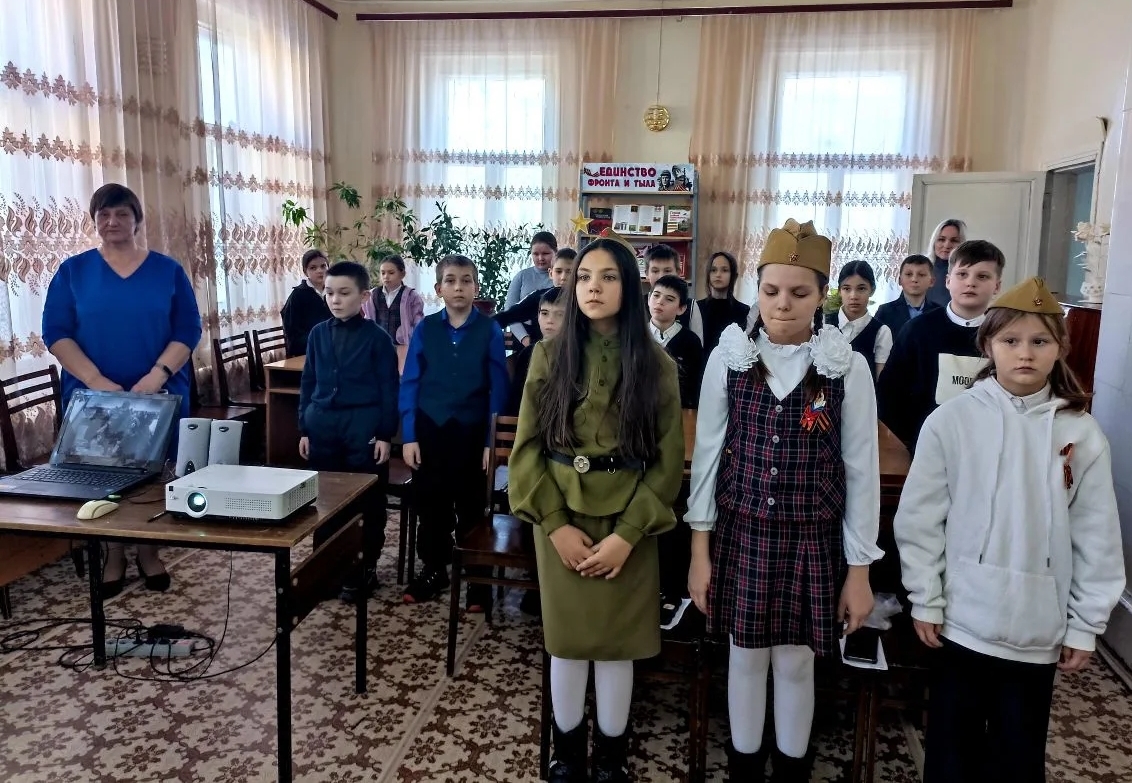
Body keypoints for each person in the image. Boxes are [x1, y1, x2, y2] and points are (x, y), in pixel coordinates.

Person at [894, 276, 1125, 783]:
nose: (1025, 353)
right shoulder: (951, 421)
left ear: (1060, 348)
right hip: (962, 620)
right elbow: (921, 518)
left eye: (1040, 341)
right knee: (951, 754)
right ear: (988, 345)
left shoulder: (1081, 433)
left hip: (1035, 627)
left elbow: (1096, 535)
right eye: (1011, 340)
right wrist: (926, 597)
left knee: (1017, 757)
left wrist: (1085, 623)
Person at [686, 219, 881, 782]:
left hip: (811, 540)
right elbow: (708, 458)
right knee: (744, 657)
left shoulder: (847, 368)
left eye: (799, 293)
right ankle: (745, 769)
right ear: (757, 289)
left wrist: (859, 572)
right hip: (743, 535)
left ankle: (792, 770)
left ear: (821, 296)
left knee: (797, 663)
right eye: (771, 291)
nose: (783, 304)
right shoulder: (730, 358)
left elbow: (861, 472)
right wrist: (699, 553)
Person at [509, 234, 685, 783]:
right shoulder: (548, 355)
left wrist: (628, 534)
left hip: (630, 522)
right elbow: (526, 452)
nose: (593, 287)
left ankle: (611, 758)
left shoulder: (657, 365)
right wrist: (555, 525)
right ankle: (566, 754)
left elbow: (667, 464)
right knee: (567, 644)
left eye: (608, 277)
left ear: (630, 287)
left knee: (616, 647)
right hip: (560, 517)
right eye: (584, 277)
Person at [42, 183, 202, 597]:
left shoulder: (167, 270)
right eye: (104, 214)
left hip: (158, 394)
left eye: (122, 214)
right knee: (103, 478)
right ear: (95, 220)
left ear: (137, 220)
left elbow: (188, 329)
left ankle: (150, 551)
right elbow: (56, 332)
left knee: (155, 476)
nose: (112, 222)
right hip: (93, 399)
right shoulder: (73, 272)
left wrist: (157, 375)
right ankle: (113, 554)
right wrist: (97, 381)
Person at [399, 255, 509, 608]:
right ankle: (434, 568)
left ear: (476, 287)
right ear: (438, 288)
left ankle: (477, 577)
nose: (458, 287)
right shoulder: (426, 329)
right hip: (430, 429)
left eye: (465, 280)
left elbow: (498, 388)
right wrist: (409, 435)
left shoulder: (489, 330)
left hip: (472, 432)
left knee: (472, 506)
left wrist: (491, 441)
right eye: (450, 280)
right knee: (431, 504)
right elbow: (410, 382)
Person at [298, 261, 400, 601]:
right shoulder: (318, 334)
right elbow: (308, 382)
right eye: (329, 293)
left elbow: (389, 389)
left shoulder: (377, 338)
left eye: (344, 293)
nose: (335, 300)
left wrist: (385, 434)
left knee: (366, 501)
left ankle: (363, 567)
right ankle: (327, 566)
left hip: (362, 429)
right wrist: (304, 428)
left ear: (364, 296)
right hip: (322, 426)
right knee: (324, 500)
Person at [877, 240, 1004, 452]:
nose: (970, 283)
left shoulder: (1005, 336)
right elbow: (890, 393)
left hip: (988, 448)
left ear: (997, 286)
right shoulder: (917, 331)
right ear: (947, 281)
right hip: (924, 447)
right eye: (962, 274)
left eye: (982, 276)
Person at [495, 247, 577, 345]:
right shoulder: (539, 297)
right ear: (551, 273)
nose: (563, 277)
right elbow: (509, 315)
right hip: (539, 351)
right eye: (558, 271)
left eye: (569, 272)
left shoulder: (583, 301)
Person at [506, 287, 566, 416]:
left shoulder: (578, 352)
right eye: (544, 313)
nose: (550, 320)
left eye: (559, 314)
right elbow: (516, 404)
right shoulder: (528, 354)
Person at [827, 260, 892, 380]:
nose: (853, 296)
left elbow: (880, 380)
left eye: (861, 289)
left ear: (872, 290)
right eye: (847, 289)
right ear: (840, 291)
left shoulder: (881, 332)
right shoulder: (823, 323)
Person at [648, 274, 704, 409]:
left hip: (679, 411)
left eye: (669, 299)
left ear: (681, 308)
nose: (660, 302)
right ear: (648, 299)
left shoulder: (691, 342)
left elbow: (695, 385)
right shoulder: (635, 335)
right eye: (656, 295)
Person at [504, 231, 558, 346]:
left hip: (555, 336)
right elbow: (509, 311)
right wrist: (524, 338)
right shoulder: (521, 276)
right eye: (535, 254)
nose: (540, 258)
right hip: (523, 336)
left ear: (556, 252)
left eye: (545, 253)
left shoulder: (562, 278)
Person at [360, 254, 424, 346]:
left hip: (402, 345)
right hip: (378, 346)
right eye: (383, 273)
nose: (386, 276)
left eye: (391, 273)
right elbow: (367, 320)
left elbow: (418, 324)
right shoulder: (372, 295)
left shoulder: (411, 297)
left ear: (402, 274)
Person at [698, 251, 752, 355]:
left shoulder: (744, 311)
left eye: (724, 270)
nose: (718, 274)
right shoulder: (696, 308)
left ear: (733, 276)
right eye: (713, 270)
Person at [281, 249, 332, 357]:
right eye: (313, 268)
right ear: (305, 271)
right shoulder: (298, 295)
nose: (320, 271)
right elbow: (292, 333)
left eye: (323, 266)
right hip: (306, 353)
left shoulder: (333, 292)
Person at [874, 254, 941, 337]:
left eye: (921, 275)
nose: (914, 279)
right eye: (909, 274)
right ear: (899, 280)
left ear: (932, 281)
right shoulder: (885, 311)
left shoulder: (939, 313)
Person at [925, 218, 967, 307]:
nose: (947, 245)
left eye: (954, 241)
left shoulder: (967, 273)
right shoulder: (920, 268)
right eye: (941, 239)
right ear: (934, 242)